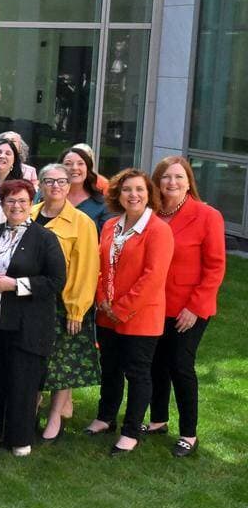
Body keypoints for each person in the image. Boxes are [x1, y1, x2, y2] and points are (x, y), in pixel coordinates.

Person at [83, 169, 174, 456]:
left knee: (137, 373)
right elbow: (99, 265)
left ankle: (131, 431)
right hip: (106, 313)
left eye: (139, 190)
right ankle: (105, 416)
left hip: (140, 317)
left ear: (149, 195)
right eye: (126, 190)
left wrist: (120, 309)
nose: (133, 195)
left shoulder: (159, 230)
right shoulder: (110, 225)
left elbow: (153, 277)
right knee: (109, 367)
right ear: (117, 195)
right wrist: (101, 300)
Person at [0, 179, 66, 457]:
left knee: (22, 382)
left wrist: (14, 285)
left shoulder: (45, 238)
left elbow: (55, 281)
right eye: (10, 201)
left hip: (27, 324)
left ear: (31, 204)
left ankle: (20, 439)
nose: (16, 206)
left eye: (22, 201)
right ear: (2, 205)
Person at [147, 157, 226, 458]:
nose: (172, 183)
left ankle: (189, 434)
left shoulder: (207, 216)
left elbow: (215, 267)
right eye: (166, 177)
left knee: (180, 365)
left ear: (189, 180)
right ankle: (157, 420)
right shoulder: (151, 213)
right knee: (155, 364)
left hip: (189, 308)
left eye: (179, 177)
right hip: (154, 304)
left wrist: (195, 307)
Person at [32, 163, 101, 442]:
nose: (55, 187)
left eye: (61, 181)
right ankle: (31, 406)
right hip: (33, 299)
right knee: (35, 359)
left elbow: (86, 267)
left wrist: (77, 309)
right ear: (40, 185)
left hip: (65, 303)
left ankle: (55, 416)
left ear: (69, 185)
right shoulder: (30, 213)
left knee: (63, 364)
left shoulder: (81, 222)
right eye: (49, 181)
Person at [61, 146, 110, 230]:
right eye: (68, 164)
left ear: (88, 168)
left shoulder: (102, 204)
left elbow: (106, 238)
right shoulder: (45, 197)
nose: (74, 168)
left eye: (80, 163)